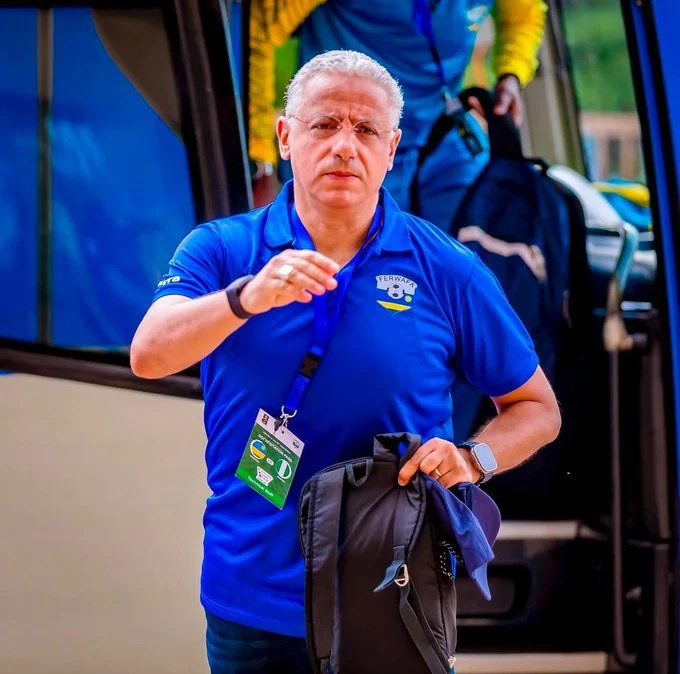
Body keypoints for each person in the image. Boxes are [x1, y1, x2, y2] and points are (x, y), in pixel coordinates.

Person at [130, 50, 561, 674]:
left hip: (396, 594)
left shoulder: (446, 268)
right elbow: (149, 353)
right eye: (325, 124)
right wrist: (245, 298)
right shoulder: (223, 250)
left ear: (391, 149)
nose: (344, 146)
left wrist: (473, 459)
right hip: (251, 600)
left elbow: (537, 409)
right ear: (286, 137)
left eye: (365, 130)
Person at [249, 0, 547, 228]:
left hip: (440, 139)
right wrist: (260, 159)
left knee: (492, 231)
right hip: (347, 143)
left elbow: (524, 14)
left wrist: (511, 73)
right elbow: (257, 30)